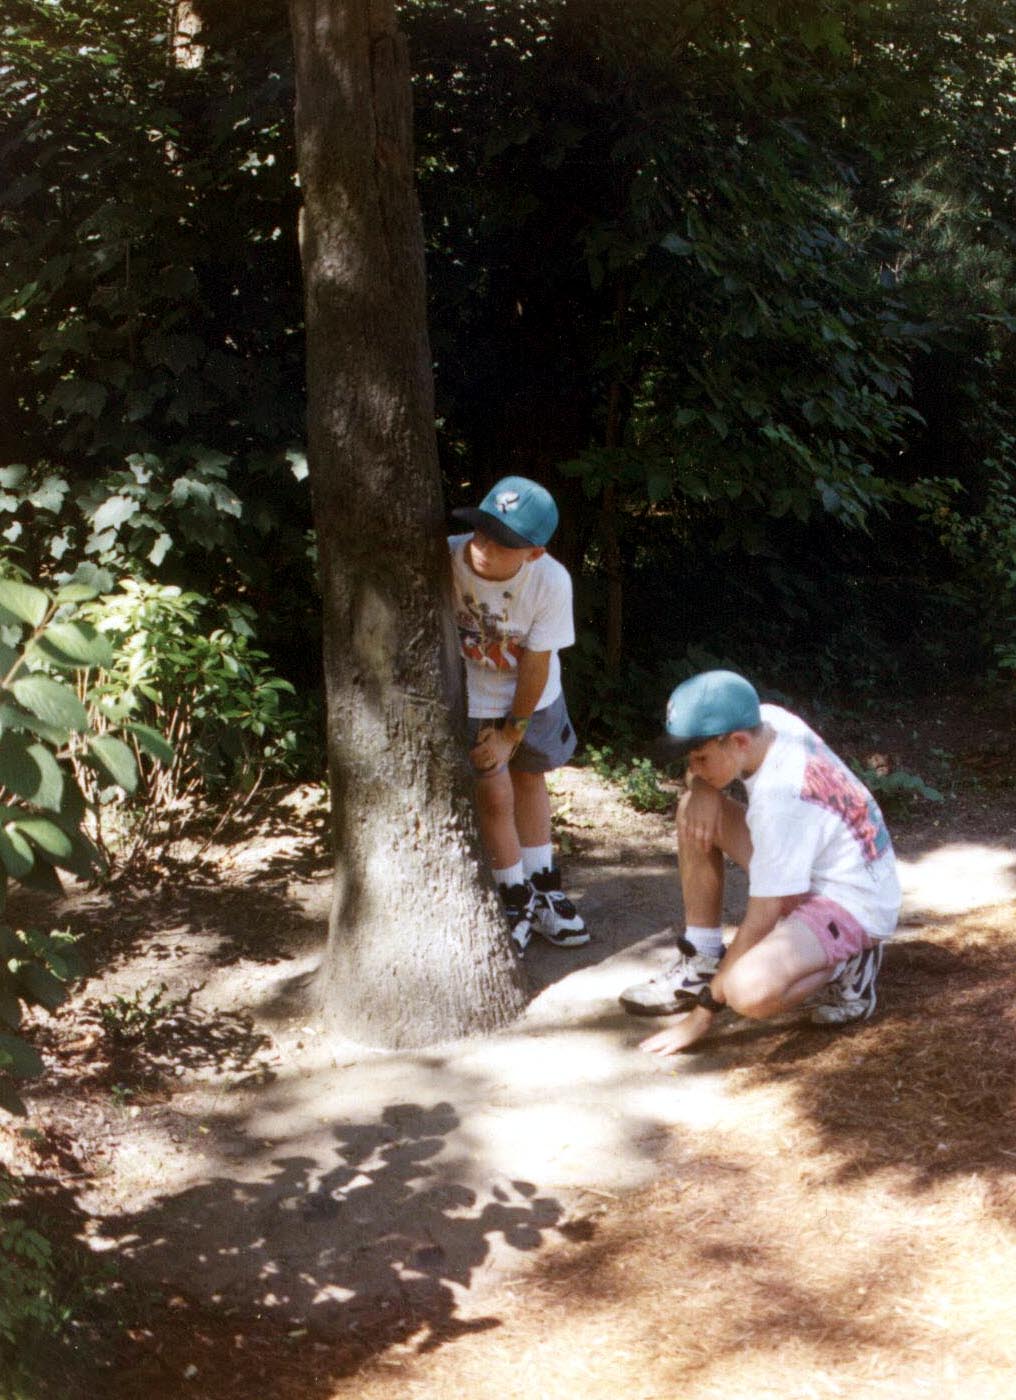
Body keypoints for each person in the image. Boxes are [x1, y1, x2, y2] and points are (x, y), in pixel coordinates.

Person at [619, 669, 901, 1055]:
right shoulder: (766, 720)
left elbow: (762, 915)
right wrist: (700, 786)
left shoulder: (781, 800)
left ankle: (849, 965)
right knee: (693, 810)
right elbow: (702, 777)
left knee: (745, 991)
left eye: (700, 758)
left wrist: (704, 1012)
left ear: (737, 741)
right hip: (814, 866)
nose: (692, 767)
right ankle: (703, 955)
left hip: (855, 899)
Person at [449, 475, 588, 953]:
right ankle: (513, 891)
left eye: (503, 541)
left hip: (534, 696)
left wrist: (515, 730)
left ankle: (543, 882)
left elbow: (536, 660)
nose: (483, 546)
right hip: (477, 695)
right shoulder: (449, 556)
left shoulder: (550, 580)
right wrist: (497, 734)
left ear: (533, 552)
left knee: (529, 778)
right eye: (482, 530)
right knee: (492, 787)